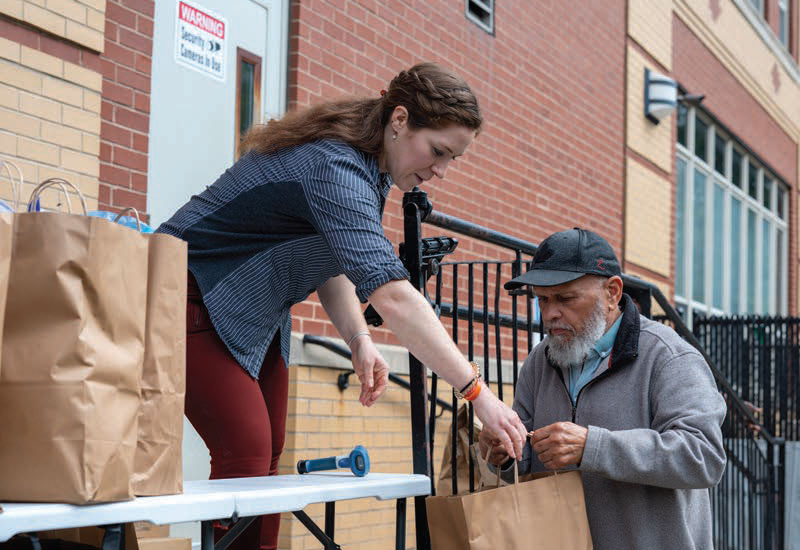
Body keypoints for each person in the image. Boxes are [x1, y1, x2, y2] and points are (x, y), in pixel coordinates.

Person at [157, 63, 527, 550]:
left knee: (267, 457)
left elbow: (332, 266)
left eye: (451, 160)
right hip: (186, 289)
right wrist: (479, 394)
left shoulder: (370, 175)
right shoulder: (335, 166)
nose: (439, 170)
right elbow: (393, 296)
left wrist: (359, 338)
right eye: (438, 151)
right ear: (399, 120)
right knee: (246, 452)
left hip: (254, 311)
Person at [478, 228, 726, 550]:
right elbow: (524, 459)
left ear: (612, 292)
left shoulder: (669, 356)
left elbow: (703, 456)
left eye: (566, 299)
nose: (550, 313)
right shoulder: (540, 359)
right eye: (542, 299)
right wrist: (503, 453)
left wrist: (593, 447)